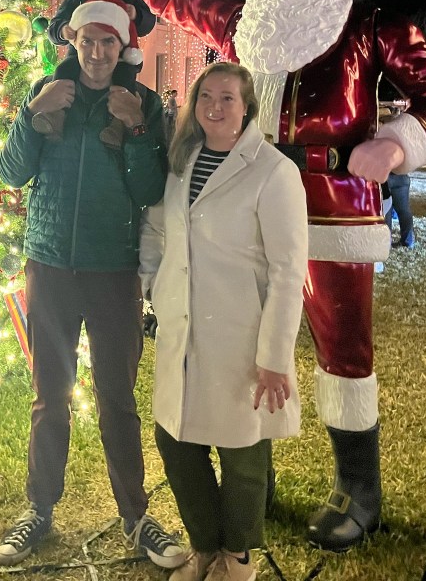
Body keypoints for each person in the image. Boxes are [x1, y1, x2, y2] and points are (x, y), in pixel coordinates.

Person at [95, 0, 426, 553]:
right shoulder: (245, 22)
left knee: (342, 350)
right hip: (245, 212)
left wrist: (394, 145)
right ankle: (248, 469)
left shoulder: (370, 27)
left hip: (331, 215)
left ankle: (358, 490)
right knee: (241, 341)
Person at [0, 0, 186, 571]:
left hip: (112, 269)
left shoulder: (142, 104)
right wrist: (32, 114)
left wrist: (136, 130)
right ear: (73, 43)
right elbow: (11, 172)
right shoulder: (47, 92)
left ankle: (136, 516)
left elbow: (149, 190)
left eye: (108, 42)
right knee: (49, 396)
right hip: (50, 264)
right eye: (87, 42)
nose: (97, 53)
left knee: (117, 400)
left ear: (122, 47)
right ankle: (39, 509)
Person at [140, 63, 309, 581]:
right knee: (176, 440)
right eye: (206, 96)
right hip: (182, 329)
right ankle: (205, 545)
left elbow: (287, 271)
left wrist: (274, 358)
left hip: (241, 335)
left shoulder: (274, 172)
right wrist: (153, 284)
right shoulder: (181, 161)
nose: (215, 107)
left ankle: (238, 556)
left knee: (242, 452)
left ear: (247, 106)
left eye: (228, 98)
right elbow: (156, 228)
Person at [35, 0, 156, 147]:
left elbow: (148, 22)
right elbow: (53, 28)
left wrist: (136, 14)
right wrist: (63, 30)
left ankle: (117, 126)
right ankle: (57, 116)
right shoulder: (75, 1)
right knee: (63, 72)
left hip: (120, 59)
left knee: (124, 83)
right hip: (78, 58)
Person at [384, 171, 415, 249]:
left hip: (384, 178)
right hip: (402, 177)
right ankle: (408, 241)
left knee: (386, 210)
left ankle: (386, 242)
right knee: (404, 211)